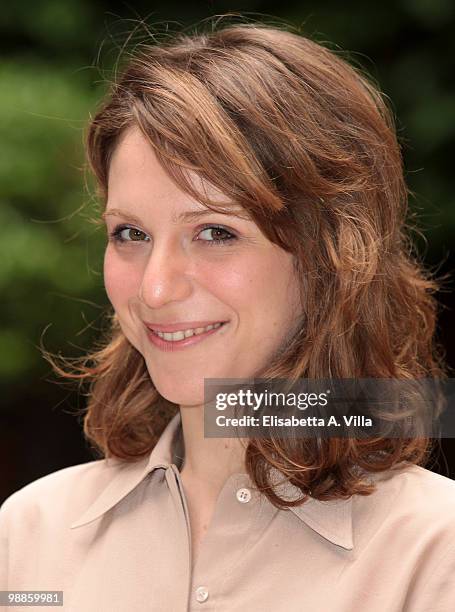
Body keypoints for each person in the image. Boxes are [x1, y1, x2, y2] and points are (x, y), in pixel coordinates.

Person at [1, 19, 455, 612]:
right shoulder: (30, 534)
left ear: (333, 254)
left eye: (215, 232)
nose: (155, 288)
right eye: (130, 233)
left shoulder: (432, 553)